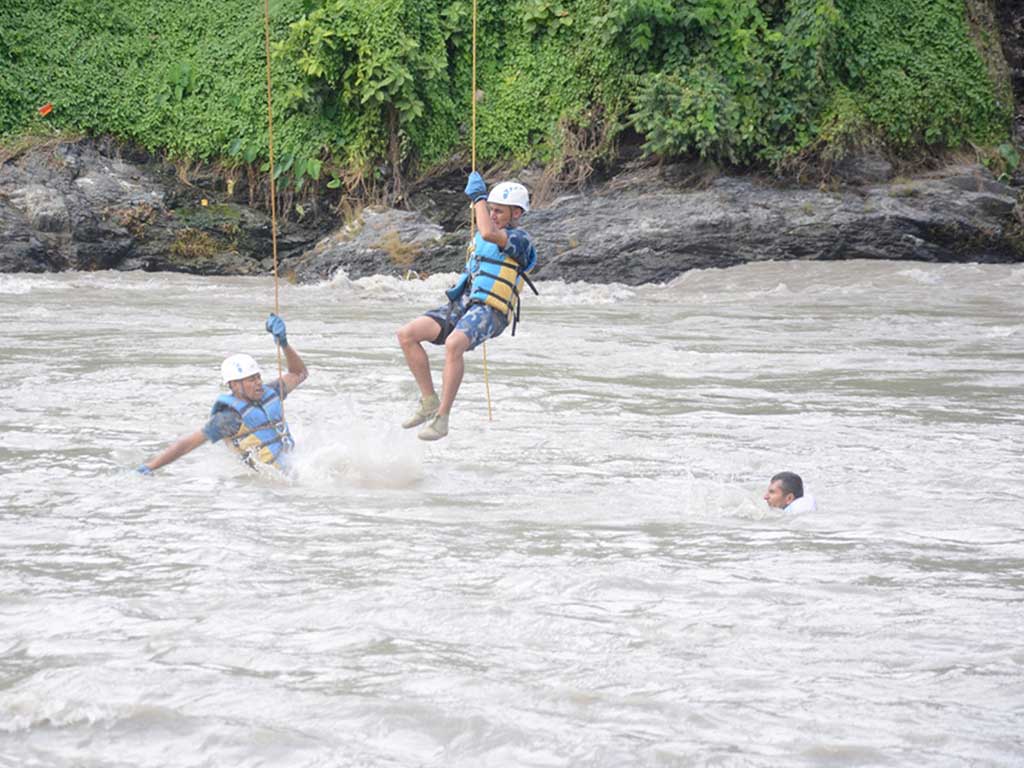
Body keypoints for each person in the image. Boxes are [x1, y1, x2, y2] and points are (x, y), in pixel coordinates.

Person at [396, 170, 537, 441]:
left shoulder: (520, 240)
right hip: (464, 305)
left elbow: (487, 230)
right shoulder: (481, 239)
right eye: (491, 210)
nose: (492, 215)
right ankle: (428, 402)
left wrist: (478, 199)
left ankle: (442, 418)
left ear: (516, 214)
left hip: (491, 311)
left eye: (499, 211)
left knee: (454, 344)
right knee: (407, 335)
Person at [136, 314, 308, 474]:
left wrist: (284, 344)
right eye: (249, 379)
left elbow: (299, 373)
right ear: (234, 385)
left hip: (294, 465)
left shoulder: (271, 392)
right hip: (271, 480)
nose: (257, 383)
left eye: (257, 377)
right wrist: (150, 467)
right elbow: (186, 445)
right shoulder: (229, 418)